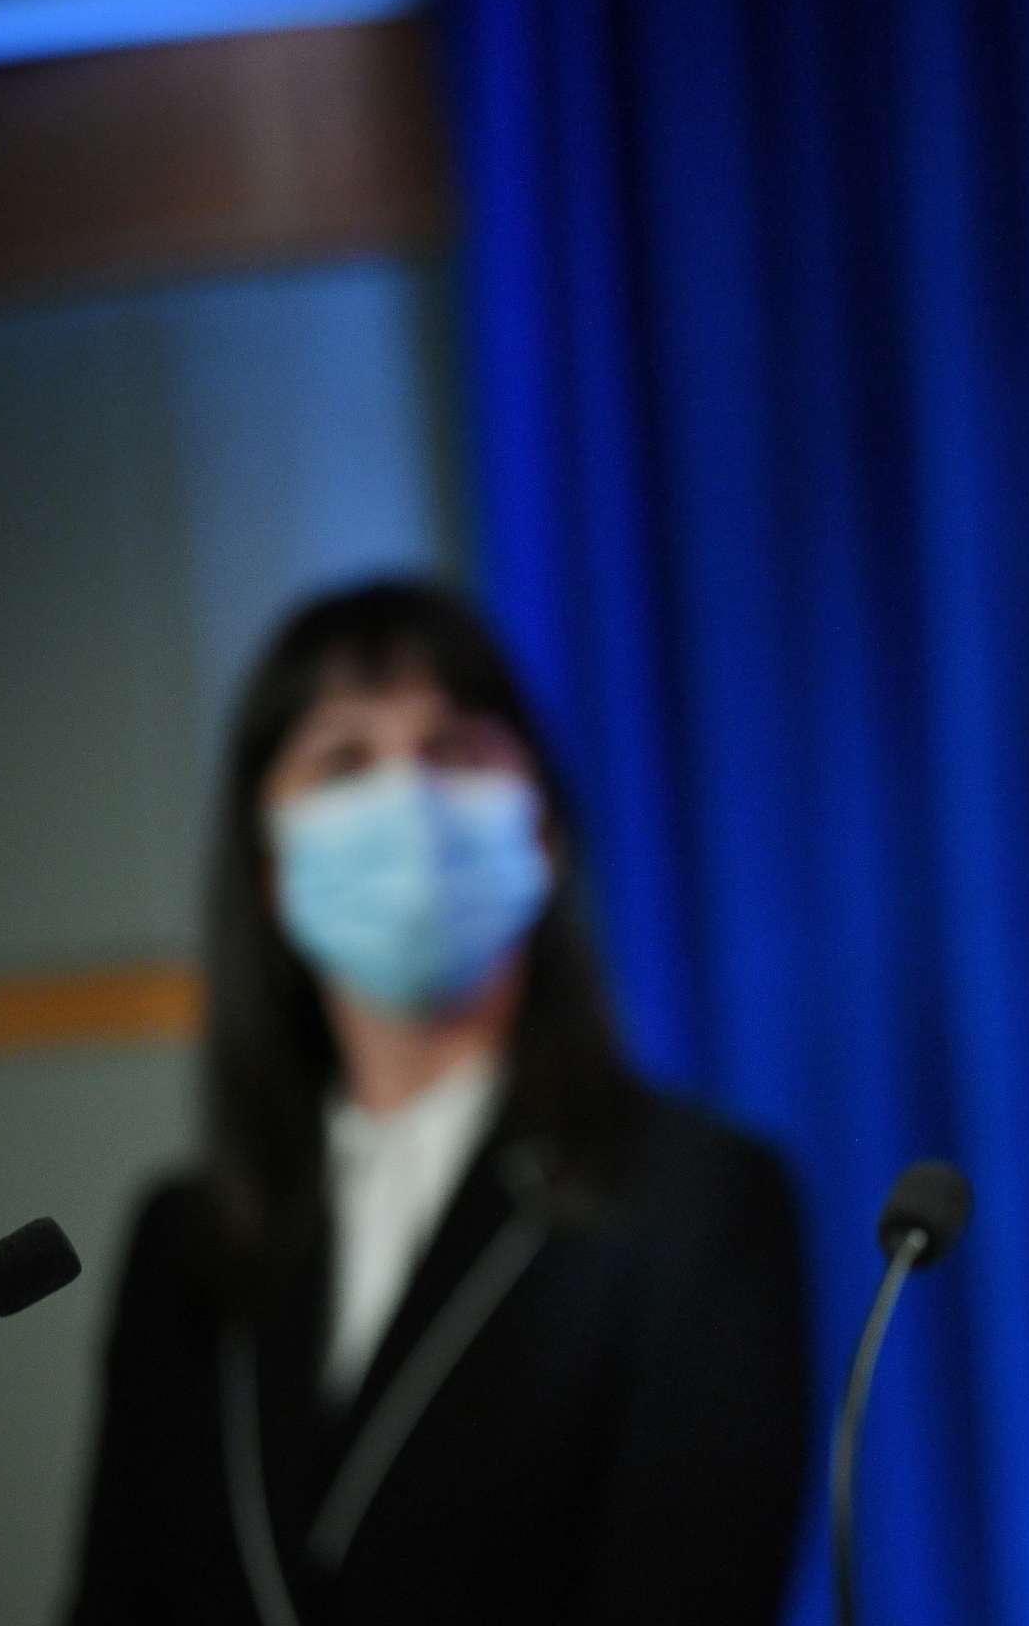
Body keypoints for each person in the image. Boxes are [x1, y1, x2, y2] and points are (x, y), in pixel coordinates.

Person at [69, 580, 808, 1624]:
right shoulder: (182, 1243)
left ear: (542, 832)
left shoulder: (696, 1201)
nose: (404, 802)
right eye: (343, 762)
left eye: (454, 752)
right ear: (273, 869)